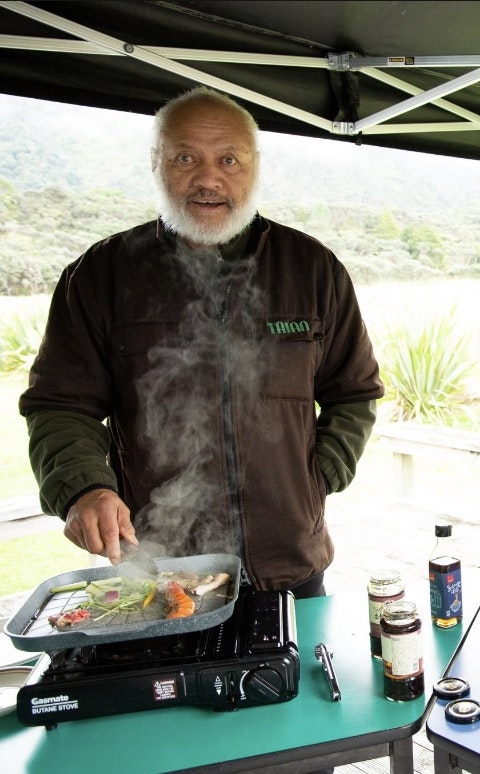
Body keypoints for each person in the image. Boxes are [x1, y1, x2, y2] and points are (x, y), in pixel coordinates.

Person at [19, 86, 384, 599]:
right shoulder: (100, 276)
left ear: (254, 167)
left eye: (229, 159)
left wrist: (316, 478)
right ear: (156, 164)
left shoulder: (312, 269)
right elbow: (60, 405)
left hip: (289, 568)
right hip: (160, 570)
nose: (209, 178)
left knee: (297, 681)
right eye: (185, 157)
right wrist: (85, 487)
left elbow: (355, 391)